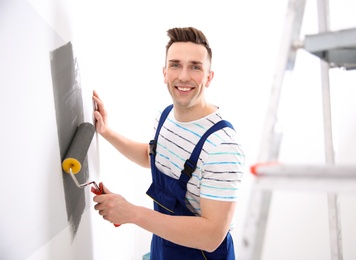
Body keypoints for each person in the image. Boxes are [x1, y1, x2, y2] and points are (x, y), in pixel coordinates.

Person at [92, 27, 245, 260]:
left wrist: (131, 213)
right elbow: (150, 156)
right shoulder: (165, 117)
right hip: (163, 249)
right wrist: (105, 131)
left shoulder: (222, 146)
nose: (183, 76)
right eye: (175, 65)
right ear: (164, 73)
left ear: (209, 77)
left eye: (195, 66)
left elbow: (212, 236)